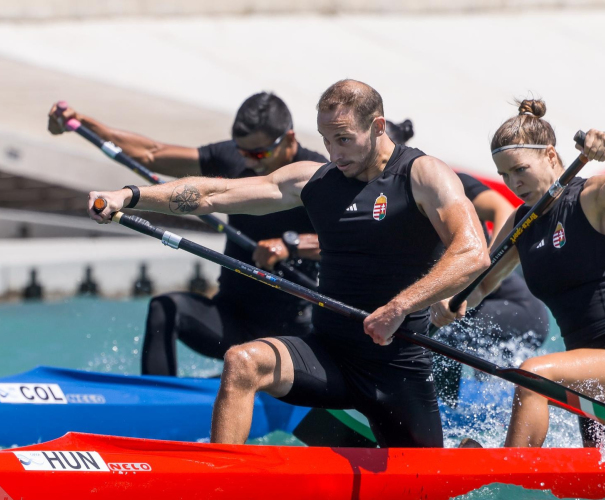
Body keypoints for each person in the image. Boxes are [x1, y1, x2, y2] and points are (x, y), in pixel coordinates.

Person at [87, 79, 490, 448]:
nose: (334, 153)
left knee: (425, 485)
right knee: (243, 363)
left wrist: (401, 306)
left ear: (378, 126)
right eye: (327, 140)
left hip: (396, 365)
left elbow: (473, 251)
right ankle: (219, 481)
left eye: (344, 139)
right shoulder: (315, 180)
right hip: (328, 355)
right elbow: (213, 194)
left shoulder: (421, 174)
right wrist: (132, 195)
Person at [431, 99, 605, 447]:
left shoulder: (594, 198)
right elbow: (480, 286)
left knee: (532, 375)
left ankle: (505, 474)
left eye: (520, 169)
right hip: (581, 373)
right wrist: (445, 303)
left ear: (552, 157)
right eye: (504, 175)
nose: (513, 182)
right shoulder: (521, 223)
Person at [49, 94, 328, 376]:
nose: (248, 161)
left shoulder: (317, 176)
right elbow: (152, 153)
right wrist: (84, 124)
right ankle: (159, 403)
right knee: (165, 308)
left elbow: (353, 239)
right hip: (232, 318)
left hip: (292, 333)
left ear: (289, 139)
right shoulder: (234, 158)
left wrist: (290, 246)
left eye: (258, 154)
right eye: (242, 152)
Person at [386, 119, 549, 407]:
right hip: (465, 306)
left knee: (442, 335)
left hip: (514, 308)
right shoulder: (378, 198)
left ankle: (438, 416)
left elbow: (504, 208)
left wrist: (476, 261)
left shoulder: (442, 182)